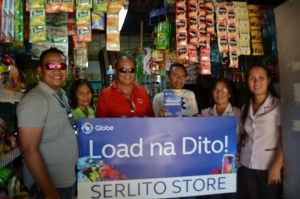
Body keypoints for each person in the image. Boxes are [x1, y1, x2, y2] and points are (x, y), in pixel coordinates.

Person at [16, 47, 78, 199]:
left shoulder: (59, 94)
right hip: (48, 187)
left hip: (64, 181)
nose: (57, 71)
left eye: (61, 66)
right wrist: (49, 192)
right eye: (50, 66)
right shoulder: (36, 99)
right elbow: (29, 149)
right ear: (40, 71)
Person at [237, 65, 283, 199]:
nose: (256, 82)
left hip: (268, 164)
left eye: (261, 77)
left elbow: (285, 138)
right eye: (252, 78)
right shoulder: (246, 106)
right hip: (247, 164)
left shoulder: (278, 105)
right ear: (247, 82)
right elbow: (245, 135)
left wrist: (277, 166)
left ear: (268, 81)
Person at [200, 79, 241, 199]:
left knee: (231, 196)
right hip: (211, 165)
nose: (219, 93)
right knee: (214, 197)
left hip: (231, 163)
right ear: (212, 93)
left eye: (223, 89)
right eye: (216, 90)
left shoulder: (238, 113)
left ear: (229, 93)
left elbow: (246, 135)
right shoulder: (204, 114)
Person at [96, 53, 154, 117]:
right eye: (123, 70)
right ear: (115, 71)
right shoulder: (105, 94)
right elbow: (99, 124)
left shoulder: (142, 91)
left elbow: (150, 118)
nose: (127, 74)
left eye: (131, 70)